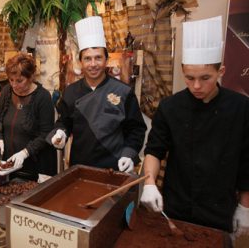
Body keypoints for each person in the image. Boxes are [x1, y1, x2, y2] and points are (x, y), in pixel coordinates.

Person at [140, 16, 249, 233]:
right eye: (189, 78)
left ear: (221, 72)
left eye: (205, 78)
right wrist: (150, 182)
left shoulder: (241, 107)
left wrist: (245, 206)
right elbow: (154, 150)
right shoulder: (170, 107)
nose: (196, 86)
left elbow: (247, 161)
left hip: (219, 210)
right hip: (176, 206)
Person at [47, 16, 146, 172]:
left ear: (106, 60)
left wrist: (129, 154)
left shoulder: (123, 92)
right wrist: (61, 133)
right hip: (79, 169)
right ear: (81, 62)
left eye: (98, 58)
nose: (93, 64)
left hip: (114, 167)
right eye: (87, 59)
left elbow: (136, 130)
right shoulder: (71, 92)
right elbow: (64, 122)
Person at [0, 53, 57, 181]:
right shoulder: (7, 92)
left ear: (31, 77)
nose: (14, 85)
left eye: (19, 80)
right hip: (11, 166)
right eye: (11, 80)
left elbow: (46, 134)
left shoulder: (43, 97)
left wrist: (25, 152)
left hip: (37, 167)